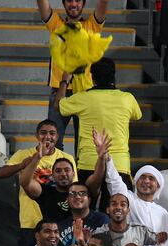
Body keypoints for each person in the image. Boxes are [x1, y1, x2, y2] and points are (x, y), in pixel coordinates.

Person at [59, 58, 142, 211]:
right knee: (116, 216)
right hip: (119, 165)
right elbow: (137, 115)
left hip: (89, 163)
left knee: (82, 214)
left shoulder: (83, 98)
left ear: (92, 77)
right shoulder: (127, 99)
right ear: (114, 76)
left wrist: (64, 81)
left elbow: (60, 106)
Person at [0, 120, 77, 246]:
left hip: (58, 224)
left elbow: (73, 188)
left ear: (57, 137)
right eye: (43, 133)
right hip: (30, 221)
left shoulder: (65, 158)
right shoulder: (23, 154)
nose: (48, 137)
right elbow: (0, 174)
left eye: (52, 133)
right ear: (37, 135)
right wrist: (22, 165)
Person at [38, 0, 109, 150]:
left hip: (85, 93)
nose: (74, 4)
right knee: (53, 143)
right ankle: (55, 172)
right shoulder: (56, 25)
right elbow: (42, 5)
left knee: (84, 145)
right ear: (63, 3)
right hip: (59, 92)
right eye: (69, 0)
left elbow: (103, 4)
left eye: (78, 0)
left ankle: (79, 174)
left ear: (83, 4)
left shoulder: (92, 26)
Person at [94, 129, 168, 246]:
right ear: (135, 182)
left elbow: (167, 243)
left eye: (151, 178)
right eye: (142, 177)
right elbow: (114, 179)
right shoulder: (128, 199)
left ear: (158, 186)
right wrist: (106, 157)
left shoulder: (163, 213)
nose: (146, 181)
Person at [93, 192, 158, 246]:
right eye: (114, 204)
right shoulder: (99, 233)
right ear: (108, 210)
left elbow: (165, 242)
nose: (118, 207)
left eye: (123, 205)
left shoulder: (140, 231)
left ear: (128, 210)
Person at [56, 182, 109, 246]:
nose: (77, 197)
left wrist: (88, 240)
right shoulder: (61, 225)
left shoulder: (101, 219)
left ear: (89, 200)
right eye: (73, 194)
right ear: (67, 200)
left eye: (82, 193)